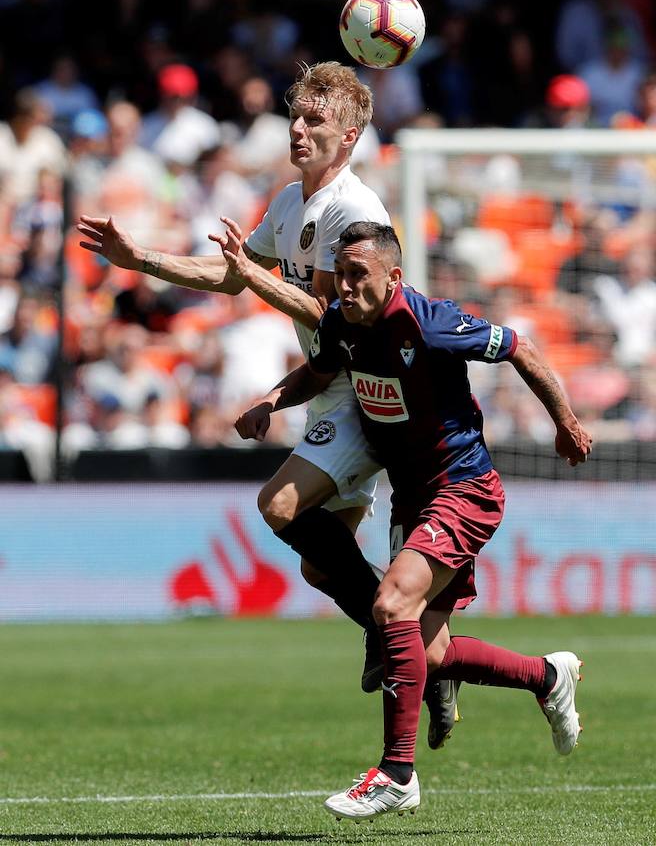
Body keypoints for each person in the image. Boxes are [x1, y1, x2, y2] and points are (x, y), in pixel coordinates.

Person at [76, 62, 461, 744]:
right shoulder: (290, 203)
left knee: (279, 506)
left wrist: (254, 275)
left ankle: (386, 629)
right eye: (296, 116)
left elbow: (328, 308)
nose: (299, 128)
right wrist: (143, 260)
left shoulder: (355, 209)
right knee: (321, 565)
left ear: (350, 136)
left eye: (316, 120)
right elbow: (231, 277)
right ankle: (432, 654)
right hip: (329, 385)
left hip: (366, 387)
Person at [233, 221, 593, 821]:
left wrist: (566, 421)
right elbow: (319, 371)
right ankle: (547, 677)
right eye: (341, 275)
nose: (345, 287)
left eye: (358, 276)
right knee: (426, 654)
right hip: (411, 496)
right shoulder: (340, 325)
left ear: (392, 276)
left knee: (391, 607)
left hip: (462, 487)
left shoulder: (429, 323)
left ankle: (397, 775)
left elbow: (520, 348)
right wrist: (273, 400)